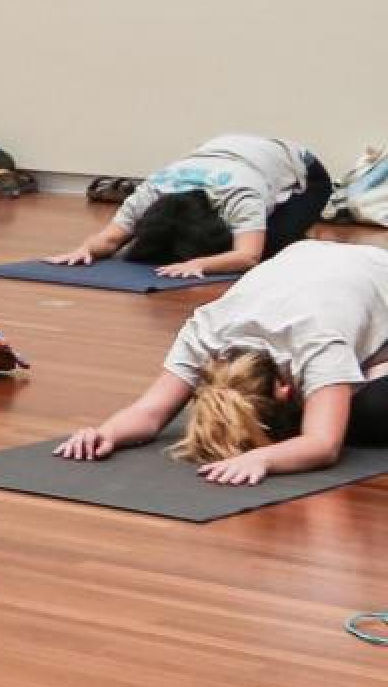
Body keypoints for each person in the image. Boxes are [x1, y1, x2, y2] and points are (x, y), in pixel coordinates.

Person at [57, 240, 388, 485]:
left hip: (364, 270)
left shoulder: (316, 340)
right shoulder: (206, 329)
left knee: (366, 417)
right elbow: (150, 412)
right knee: (345, 393)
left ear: (286, 390)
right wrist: (107, 433)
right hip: (313, 263)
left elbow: (323, 445)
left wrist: (264, 458)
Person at [44, 134, 330, 281]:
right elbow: (110, 238)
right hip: (229, 154)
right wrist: (85, 249)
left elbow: (248, 256)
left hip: (305, 172)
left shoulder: (240, 194)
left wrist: (201, 263)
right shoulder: (151, 191)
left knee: (269, 249)